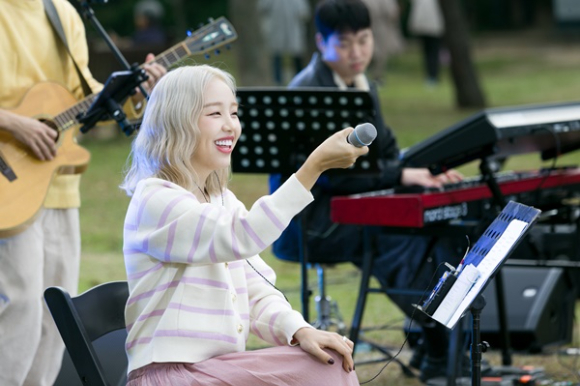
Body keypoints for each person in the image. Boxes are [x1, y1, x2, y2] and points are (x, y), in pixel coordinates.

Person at [119, 64, 366, 386]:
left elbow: (254, 288)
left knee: (329, 366)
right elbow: (238, 236)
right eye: (214, 114)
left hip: (218, 368)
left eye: (233, 113)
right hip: (170, 375)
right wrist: (312, 168)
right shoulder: (155, 200)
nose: (230, 126)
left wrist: (299, 329)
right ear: (177, 123)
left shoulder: (221, 200)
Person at [269, 0, 464, 382]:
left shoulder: (361, 85)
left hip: (348, 206)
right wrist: (403, 175)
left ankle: (433, 342)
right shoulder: (310, 90)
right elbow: (337, 177)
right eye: (344, 44)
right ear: (320, 43)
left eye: (363, 40)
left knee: (435, 224)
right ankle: (441, 345)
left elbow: (386, 152)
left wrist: (427, 169)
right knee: (394, 237)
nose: (356, 52)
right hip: (314, 221)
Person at [0, 1, 166, 385]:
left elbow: (87, 95)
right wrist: (13, 123)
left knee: (52, 320)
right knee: (18, 308)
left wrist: (134, 91)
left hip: (58, 184)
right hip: (8, 188)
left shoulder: (60, 11)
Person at [257, 0, 311, 85]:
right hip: (276, 29)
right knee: (277, 57)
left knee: (296, 57)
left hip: (293, 29)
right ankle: (277, 84)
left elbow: (304, 13)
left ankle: (300, 83)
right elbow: (263, 8)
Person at [361, 0, 405, 83]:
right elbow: (392, 13)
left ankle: (364, 74)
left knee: (366, 50)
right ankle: (377, 77)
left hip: (365, 26)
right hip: (381, 27)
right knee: (380, 53)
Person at [408, 0, 445, 85]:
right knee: (432, 52)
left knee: (430, 52)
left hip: (427, 27)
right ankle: (432, 76)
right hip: (434, 27)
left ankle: (432, 75)